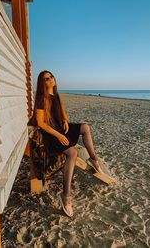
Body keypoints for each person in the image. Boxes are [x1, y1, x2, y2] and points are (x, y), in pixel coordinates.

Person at [31, 70, 103, 217]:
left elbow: (63, 115)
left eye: (51, 77)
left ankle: (93, 159)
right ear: (42, 83)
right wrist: (58, 135)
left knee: (85, 127)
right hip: (50, 135)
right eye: (46, 79)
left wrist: (64, 120)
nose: (50, 79)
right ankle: (66, 197)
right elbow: (40, 123)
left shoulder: (56, 96)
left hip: (61, 129)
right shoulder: (41, 98)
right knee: (73, 153)